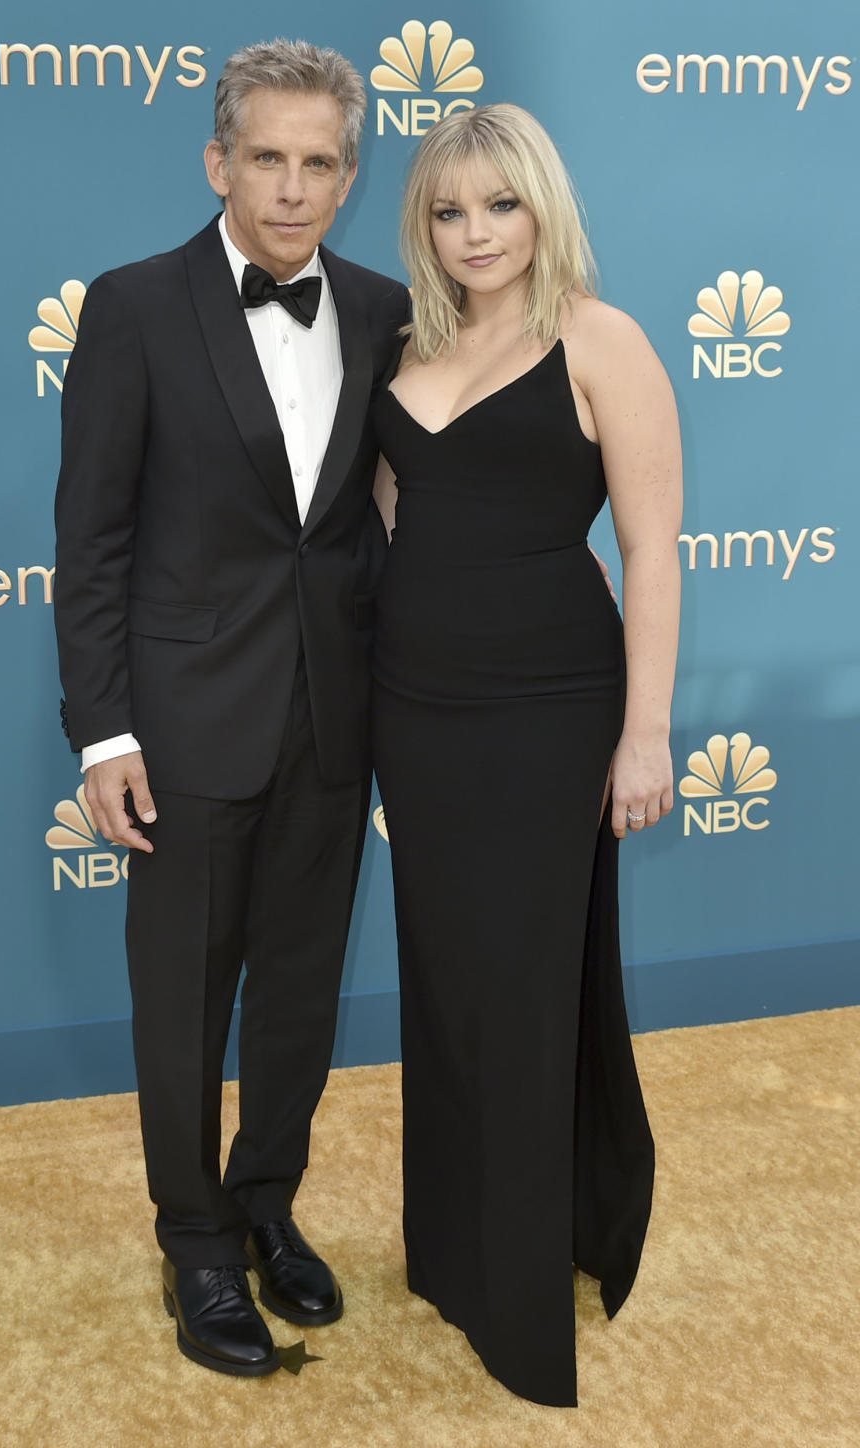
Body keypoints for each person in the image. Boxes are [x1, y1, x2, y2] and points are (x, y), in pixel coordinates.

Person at [53, 40, 410, 1377]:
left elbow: (386, 516)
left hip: (336, 717)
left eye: (321, 162)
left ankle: (266, 1205)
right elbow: (89, 539)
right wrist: (105, 729)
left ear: (350, 173)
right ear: (219, 161)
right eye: (267, 156)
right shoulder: (136, 307)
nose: (292, 187)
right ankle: (196, 1242)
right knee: (184, 1004)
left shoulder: (380, 311)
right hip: (186, 726)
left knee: (301, 999)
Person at [370, 104, 681, 1407]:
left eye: (500, 204)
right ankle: (452, 1250)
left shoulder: (600, 338)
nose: (476, 231)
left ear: (542, 207)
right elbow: (391, 524)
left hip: (552, 709)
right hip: (417, 712)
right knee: (443, 983)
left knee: (525, 984)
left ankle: (523, 1280)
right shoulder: (404, 344)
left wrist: (645, 733)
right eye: (449, 210)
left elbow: (653, 552)